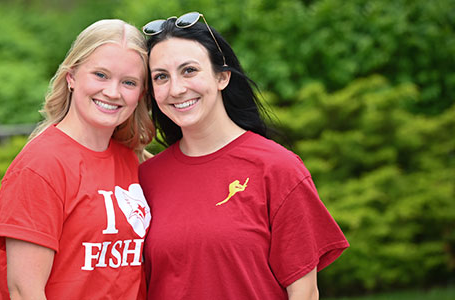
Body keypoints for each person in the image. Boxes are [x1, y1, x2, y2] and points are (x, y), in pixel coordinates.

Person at [138, 12, 349, 300]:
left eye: (189, 70)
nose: (176, 88)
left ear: (222, 76)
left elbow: (305, 293)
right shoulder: (146, 178)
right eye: (161, 77)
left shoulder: (276, 167)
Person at [0, 19, 155, 300]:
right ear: (71, 76)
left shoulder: (134, 160)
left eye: (128, 82)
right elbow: (23, 291)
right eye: (100, 75)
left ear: (140, 95)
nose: (112, 92)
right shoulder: (41, 166)